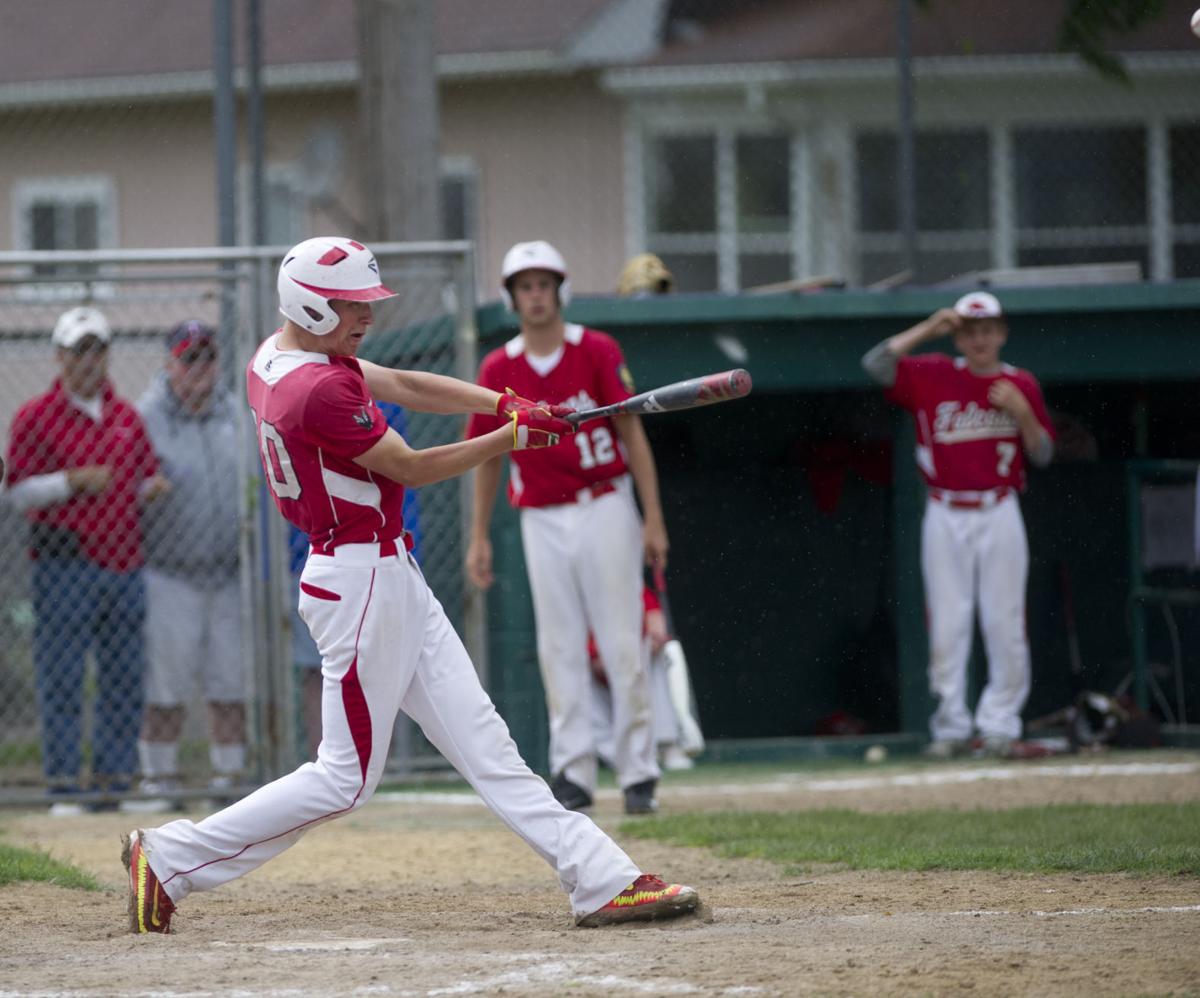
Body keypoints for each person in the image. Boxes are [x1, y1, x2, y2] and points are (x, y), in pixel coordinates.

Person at [122, 235, 700, 934]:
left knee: (487, 745)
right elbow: (410, 466)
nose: (366, 315)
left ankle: (603, 879)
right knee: (344, 779)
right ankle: (170, 858)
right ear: (309, 303)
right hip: (362, 581)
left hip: (384, 573)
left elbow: (402, 383)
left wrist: (506, 402)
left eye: (368, 303)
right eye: (350, 305)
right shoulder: (316, 388)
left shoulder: (279, 356)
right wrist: (509, 438)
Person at [466, 240, 669, 815]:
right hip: (540, 513)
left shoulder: (596, 349)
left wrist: (652, 518)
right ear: (512, 298)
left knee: (621, 639)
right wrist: (480, 534)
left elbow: (633, 433)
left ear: (560, 290)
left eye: (543, 284)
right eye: (524, 286)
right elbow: (486, 454)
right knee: (558, 645)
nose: (535, 296)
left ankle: (638, 774)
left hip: (604, 502)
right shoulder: (499, 368)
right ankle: (573, 770)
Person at [861, 291, 1055, 759]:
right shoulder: (933, 373)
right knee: (948, 623)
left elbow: (1044, 453)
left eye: (988, 329)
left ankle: (999, 724)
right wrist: (930, 327)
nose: (981, 338)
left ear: (1002, 332)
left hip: (999, 507)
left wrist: (1023, 413)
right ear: (958, 335)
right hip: (946, 511)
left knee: (1003, 620)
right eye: (971, 330)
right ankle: (950, 725)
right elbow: (876, 365)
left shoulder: (1019, 384)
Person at [5, 307, 168, 814]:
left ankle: (113, 784)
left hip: (124, 563)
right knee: (63, 677)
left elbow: (140, 475)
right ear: (59, 356)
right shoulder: (35, 415)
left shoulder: (126, 416)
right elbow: (17, 493)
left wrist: (150, 489)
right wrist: (71, 482)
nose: (90, 361)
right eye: (79, 351)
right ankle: (62, 785)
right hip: (65, 566)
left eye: (97, 350)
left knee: (123, 677)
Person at [133, 321, 246, 809]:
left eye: (206, 358)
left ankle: (229, 780)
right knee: (166, 686)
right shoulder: (145, 417)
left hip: (228, 573)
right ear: (169, 364)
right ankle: (160, 782)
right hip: (169, 572)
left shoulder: (236, 412)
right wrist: (144, 492)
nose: (200, 369)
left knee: (230, 681)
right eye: (188, 359)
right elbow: (123, 487)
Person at [588, 585, 694, 772]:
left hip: (638, 666)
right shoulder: (584, 595)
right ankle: (609, 752)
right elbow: (586, 649)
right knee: (578, 673)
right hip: (600, 672)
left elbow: (657, 628)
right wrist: (604, 660)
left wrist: (639, 653)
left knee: (660, 657)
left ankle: (667, 744)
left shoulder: (637, 590)